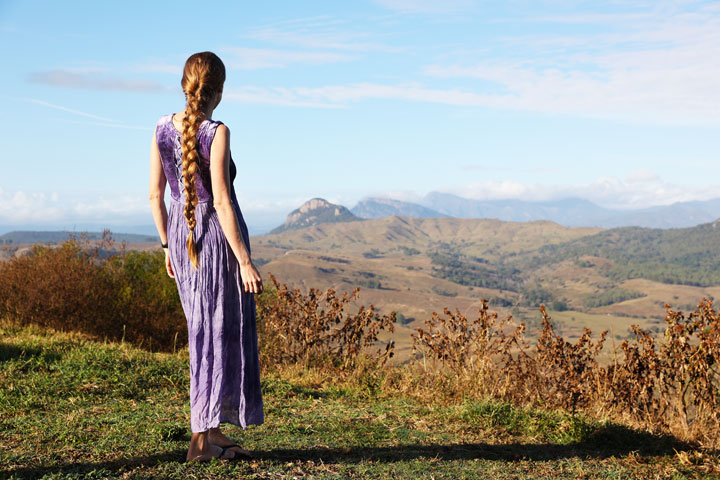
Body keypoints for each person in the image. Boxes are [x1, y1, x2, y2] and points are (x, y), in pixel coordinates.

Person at [148, 51, 264, 462]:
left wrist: (166, 245)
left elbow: (154, 196)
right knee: (216, 336)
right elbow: (222, 202)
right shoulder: (217, 132)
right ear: (218, 91)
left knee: (203, 335)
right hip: (214, 241)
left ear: (185, 85)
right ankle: (202, 440)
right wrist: (245, 260)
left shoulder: (162, 127)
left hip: (182, 240)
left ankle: (207, 433)